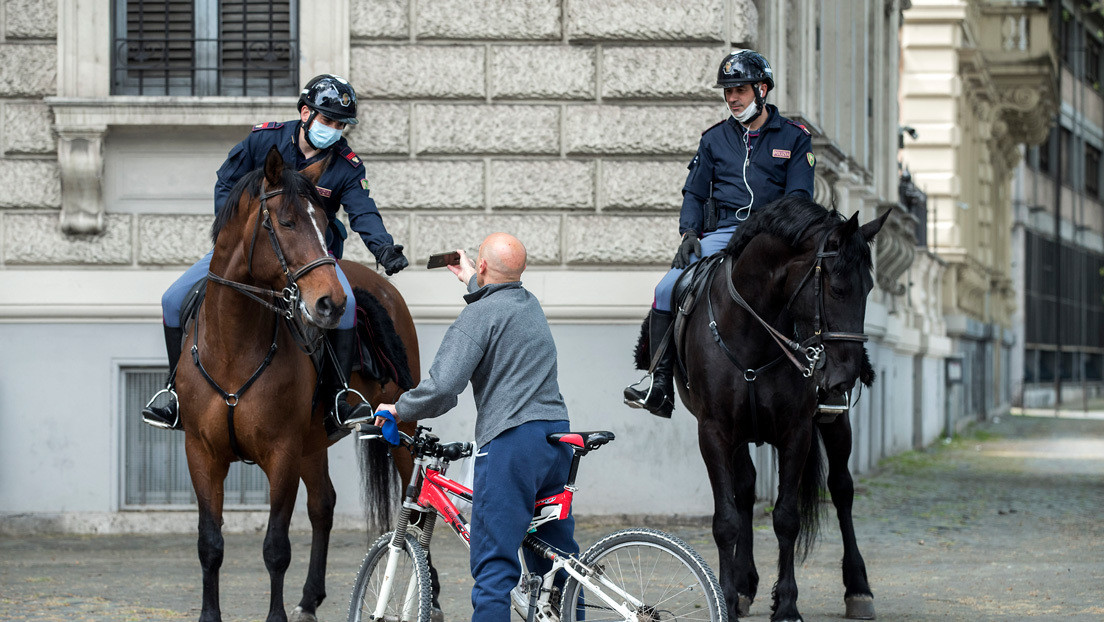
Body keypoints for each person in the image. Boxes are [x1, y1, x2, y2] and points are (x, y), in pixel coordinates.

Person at [142, 74, 409, 437]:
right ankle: (175, 393)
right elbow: (226, 181)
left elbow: (363, 211)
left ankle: (338, 397)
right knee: (172, 300)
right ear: (305, 113)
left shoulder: (346, 164)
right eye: (327, 120)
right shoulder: (263, 140)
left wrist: (384, 248)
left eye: (341, 124)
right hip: (248, 248)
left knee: (343, 313)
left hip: (311, 256)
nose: (334, 129)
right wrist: (231, 234)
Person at [374, 233, 578, 622]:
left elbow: (443, 387)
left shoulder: (477, 317)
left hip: (512, 444)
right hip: (556, 442)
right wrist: (471, 278)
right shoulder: (528, 304)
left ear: (484, 266)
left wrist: (398, 409)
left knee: (494, 569)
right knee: (557, 566)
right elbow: (499, 299)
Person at [623, 49, 816, 418]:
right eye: (727, 91)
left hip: (773, 238)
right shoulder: (713, 140)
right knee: (665, 288)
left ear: (762, 89)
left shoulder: (794, 138)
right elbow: (694, 193)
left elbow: (798, 199)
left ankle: (822, 384)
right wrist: (690, 233)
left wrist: (774, 234)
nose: (732, 98)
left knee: (817, 289)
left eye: (739, 90)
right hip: (721, 234)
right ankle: (659, 383)